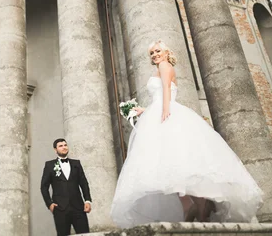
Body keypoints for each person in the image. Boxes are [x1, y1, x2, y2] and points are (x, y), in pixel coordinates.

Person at [110, 39, 263, 228]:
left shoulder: (165, 66)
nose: (155, 55)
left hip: (167, 112)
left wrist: (164, 111)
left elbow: (167, 89)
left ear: (166, 53)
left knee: (175, 161)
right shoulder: (159, 69)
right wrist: (144, 110)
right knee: (171, 164)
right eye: (152, 53)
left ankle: (196, 205)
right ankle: (194, 206)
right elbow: (161, 94)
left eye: (158, 51)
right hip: (158, 109)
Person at [40, 138, 92, 236]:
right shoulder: (49, 165)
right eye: (61, 146)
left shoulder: (76, 164)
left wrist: (87, 200)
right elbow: (44, 186)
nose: (64, 147)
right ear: (55, 150)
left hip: (78, 207)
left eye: (65, 145)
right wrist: (49, 204)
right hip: (60, 208)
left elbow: (84, 183)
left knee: (85, 234)